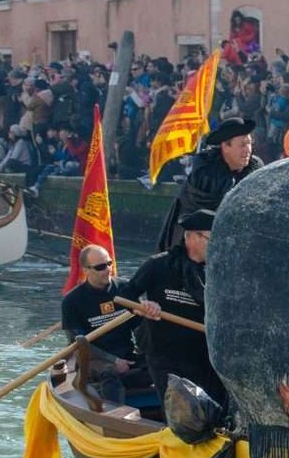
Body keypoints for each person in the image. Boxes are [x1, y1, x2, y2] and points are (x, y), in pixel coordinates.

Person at [122, 209, 222, 404]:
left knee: (213, 407)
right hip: (165, 355)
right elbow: (125, 294)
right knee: (180, 408)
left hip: (202, 354)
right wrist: (143, 306)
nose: (216, 246)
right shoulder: (159, 265)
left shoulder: (217, 271)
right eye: (211, 239)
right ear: (191, 237)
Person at [161, 117, 263, 249]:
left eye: (249, 143)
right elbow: (207, 210)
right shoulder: (205, 171)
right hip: (193, 240)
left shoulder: (255, 167)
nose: (248, 150)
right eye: (242, 145)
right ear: (225, 146)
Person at [61, 244, 145, 401]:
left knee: (161, 363)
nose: (107, 270)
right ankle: (115, 416)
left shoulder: (125, 289)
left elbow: (142, 329)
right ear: (85, 270)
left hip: (127, 352)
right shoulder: (72, 301)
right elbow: (78, 343)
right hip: (93, 358)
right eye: (100, 267)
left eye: (109, 263)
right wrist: (114, 361)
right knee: (109, 372)